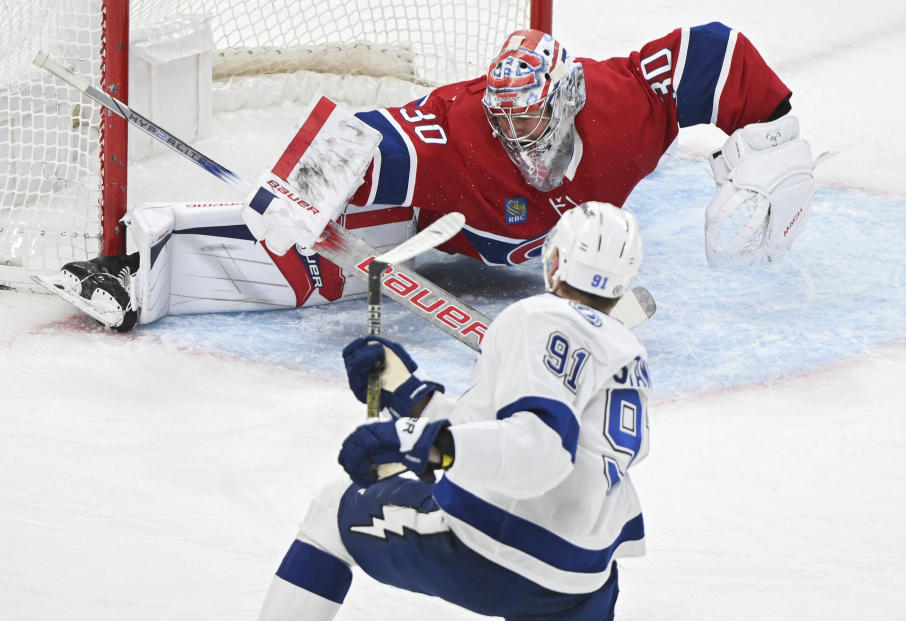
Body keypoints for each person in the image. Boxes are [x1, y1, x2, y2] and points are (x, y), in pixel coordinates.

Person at [53, 22, 816, 331]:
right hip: (454, 222)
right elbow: (360, 137)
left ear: (565, 101)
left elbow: (712, 51)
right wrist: (300, 192)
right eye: (502, 116)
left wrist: (778, 140)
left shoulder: (623, 108)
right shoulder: (457, 132)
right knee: (316, 255)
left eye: (527, 119)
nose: (510, 131)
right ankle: (138, 272)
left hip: (554, 244)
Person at [257, 202, 651, 620]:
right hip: (582, 577)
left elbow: (537, 452)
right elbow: (507, 441)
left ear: (555, 260)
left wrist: (419, 442)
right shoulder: (629, 354)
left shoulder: (541, 317)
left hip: (502, 547)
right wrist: (413, 397)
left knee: (331, 511)